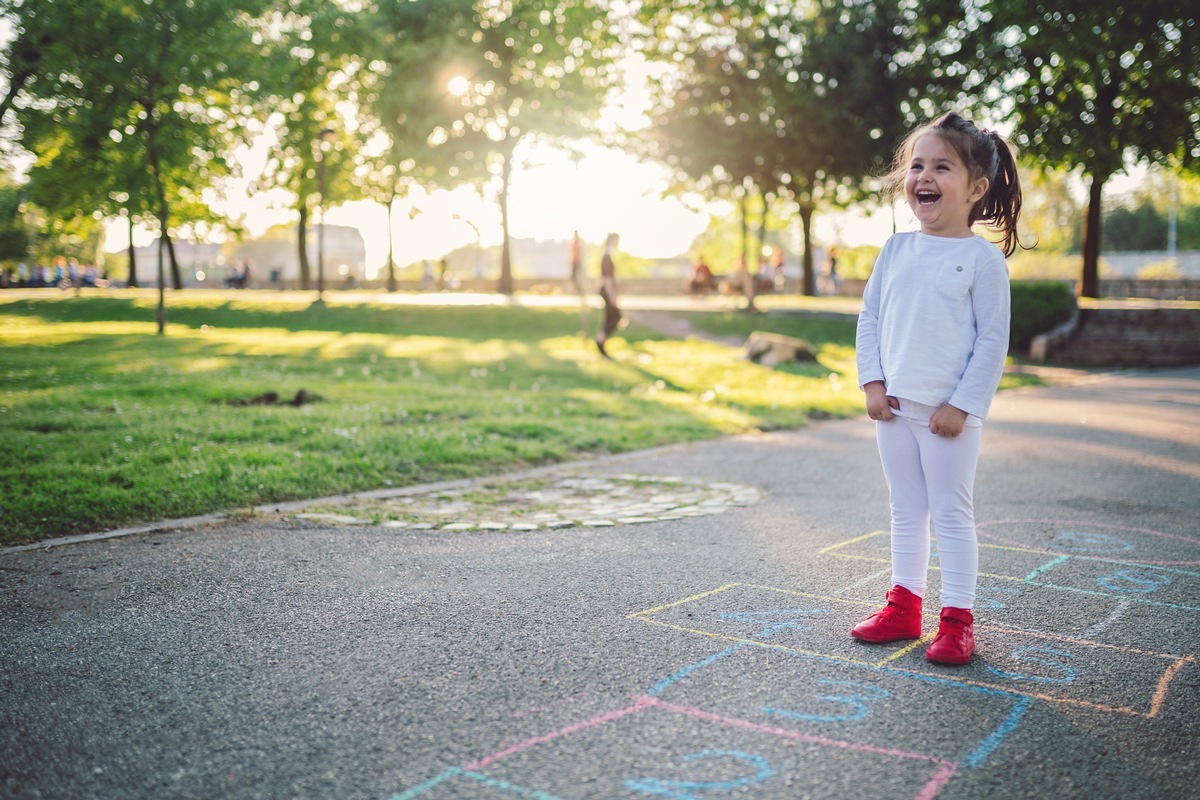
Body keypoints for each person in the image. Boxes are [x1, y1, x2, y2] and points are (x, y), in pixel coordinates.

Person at [851, 111, 1024, 666]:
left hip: (949, 416)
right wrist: (873, 383)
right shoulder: (896, 249)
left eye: (941, 167)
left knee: (950, 511)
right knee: (906, 508)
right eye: (917, 165)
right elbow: (870, 319)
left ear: (976, 188)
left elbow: (991, 342)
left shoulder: (981, 259)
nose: (924, 176)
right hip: (895, 409)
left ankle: (957, 620)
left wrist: (962, 405)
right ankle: (903, 605)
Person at [595, 232, 622, 357]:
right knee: (615, 317)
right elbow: (607, 279)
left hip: (606, 290)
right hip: (607, 291)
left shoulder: (607, 256)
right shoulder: (606, 257)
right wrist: (612, 294)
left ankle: (601, 341)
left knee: (613, 317)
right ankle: (600, 341)